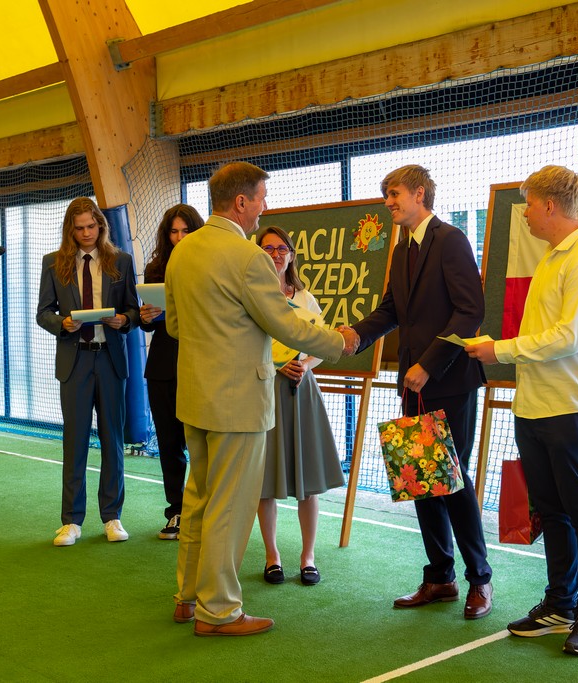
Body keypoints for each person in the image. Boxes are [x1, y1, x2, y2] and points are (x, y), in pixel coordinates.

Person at [165, 161, 359, 637]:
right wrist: (340, 342)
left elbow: (174, 325)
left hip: (195, 397)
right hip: (240, 403)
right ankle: (219, 611)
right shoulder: (248, 257)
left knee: (198, 500)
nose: (264, 208)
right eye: (261, 199)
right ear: (241, 202)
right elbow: (285, 325)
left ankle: (187, 599)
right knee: (230, 507)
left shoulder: (183, 252)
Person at [465, 165, 578, 656]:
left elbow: (569, 337)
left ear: (550, 205)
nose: (526, 213)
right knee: (552, 511)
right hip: (534, 407)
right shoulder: (553, 257)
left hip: (575, 407)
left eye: (530, 204)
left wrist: (498, 350)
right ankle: (560, 604)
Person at [346, 164, 493, 620]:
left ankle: (480, 579)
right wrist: (355, 335)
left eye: (394, 194)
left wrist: (428, 365)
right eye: (386, 195)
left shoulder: (451, 240)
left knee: (453, 481)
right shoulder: (401, 249)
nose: (388, 202)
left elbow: (470, 312)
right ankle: (440, 578)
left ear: (419, 194)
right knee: (422, 482)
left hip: (449, 381)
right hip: (412, 385)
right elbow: (392, 310)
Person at [36, 197, 141, 547]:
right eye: (79, 228)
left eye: (91, 226)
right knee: (75, 440)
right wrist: (62, 323)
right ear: (71, 229)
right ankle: (71, 521)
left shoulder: (120, 261)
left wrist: (123, 319)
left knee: (113, 440)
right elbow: (43, 312)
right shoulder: (53, 263)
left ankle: (112, 517)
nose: (86, 233)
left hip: (110, 359)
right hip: (74, 360)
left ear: (101, 226)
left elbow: (133, 310)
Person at [255, 225, 346, 587]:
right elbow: (248, 344)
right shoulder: (253, 295)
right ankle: (272, 556)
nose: (276, 255)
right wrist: (276, 365)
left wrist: (304, 365)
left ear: (291, 255)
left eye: (282, 249)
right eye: (268, 248)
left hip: (301, 390)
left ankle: (308, 557)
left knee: (307, 480)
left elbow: (321, 343)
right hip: (266, 390)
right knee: (265, 480)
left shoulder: (305, 298)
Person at [139, 204, 204, 540]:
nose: (179, 237)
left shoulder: (210, 265)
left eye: (186, 231)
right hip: (163, 367)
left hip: (201, 366)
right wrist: (146, 317)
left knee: (201, 445)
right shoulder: (155, 269)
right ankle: (176, 511)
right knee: (169, 444)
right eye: (174, 231)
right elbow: (149, 325)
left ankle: (203, 512)